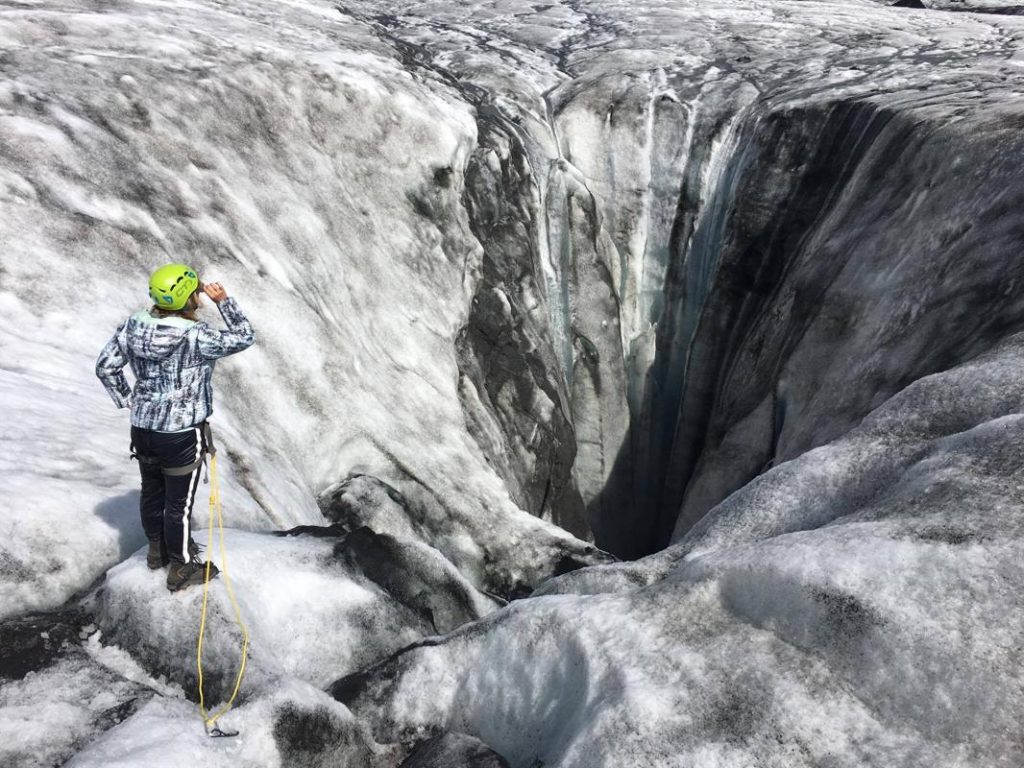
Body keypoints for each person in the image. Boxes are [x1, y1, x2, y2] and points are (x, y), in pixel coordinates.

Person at [96, 264, 255, 592]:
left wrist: (130, 400)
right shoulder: (196, 336)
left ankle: (156, 553)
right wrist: (224, 301)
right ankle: (181, 567)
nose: (199, 294)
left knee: (152, 491)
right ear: (187, 298)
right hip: (181, 431)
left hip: (143, 428)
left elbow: (106, 367)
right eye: (196, 291)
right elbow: (244, 336)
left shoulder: (134, 325)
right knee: (178, 504)